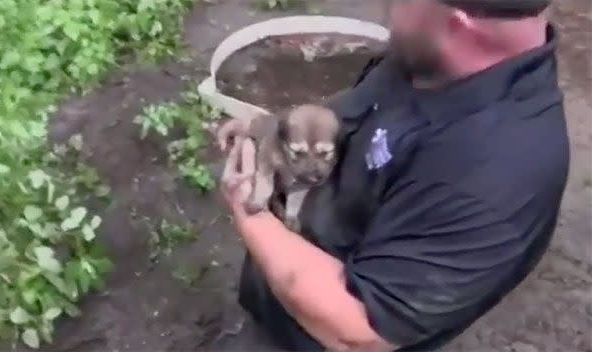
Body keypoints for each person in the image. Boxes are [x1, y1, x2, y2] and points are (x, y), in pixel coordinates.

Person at [219, 0, 569, 351]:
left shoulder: (495, 177)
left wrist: (250, 206)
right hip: (285, 278)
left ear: (458, 24)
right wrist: (266, 128)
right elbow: (351, 112)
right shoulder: (429, 55)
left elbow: (355, 328)